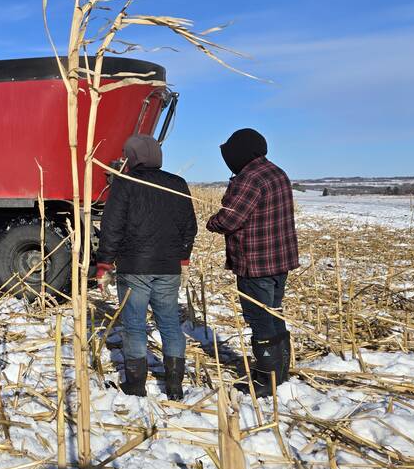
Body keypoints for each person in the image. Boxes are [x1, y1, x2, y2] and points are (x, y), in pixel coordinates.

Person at [95, 134, 197, 399]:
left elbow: (112, 227)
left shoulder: (125, 183)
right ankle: (175, 386)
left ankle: (136, 385)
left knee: (135, 325)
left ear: (132, 156)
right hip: (169, 268)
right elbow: (190, 228)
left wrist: (104, 262)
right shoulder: (178, 184)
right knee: (170, 324)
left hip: (134, 267)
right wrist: (183, 259)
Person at [206, 128, 299, 398]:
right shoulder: (276, 172)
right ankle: (280, 372)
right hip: (280, 261)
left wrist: (213, 222)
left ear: (240, 154)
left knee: (260, 318)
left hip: (256, 263)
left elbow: (230, 220)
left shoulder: (249, 178)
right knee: (274, 313)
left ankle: (266, 378)